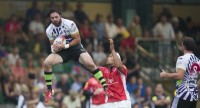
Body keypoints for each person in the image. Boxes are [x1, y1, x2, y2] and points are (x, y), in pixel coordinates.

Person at [44, 9, 107, 103]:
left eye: (56, 17)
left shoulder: (70, 24)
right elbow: (53, 46)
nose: (54, 19)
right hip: (62, 51)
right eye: (52, 18)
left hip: (75, 48)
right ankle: (49, 90)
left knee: (90, 64)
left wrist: (65, 45)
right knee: (47, 63)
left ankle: (105, 86)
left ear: (60, 16)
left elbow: (77, 39)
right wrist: (55, 48)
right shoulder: (49, 30)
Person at [160, 37, 199, 108]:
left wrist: (165, 74)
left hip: (183, 95)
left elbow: (179, 76)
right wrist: (195, 86)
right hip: (194, 96)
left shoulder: (182, 58)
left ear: (183, 47)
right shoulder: (197, 60)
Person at [98, 38, 131, 108]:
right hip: (110, 103)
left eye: (110, 56)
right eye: (108, 56)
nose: (108, 58)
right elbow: (92, 67)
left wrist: (112, 50)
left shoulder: (122, 69)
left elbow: (119, 65)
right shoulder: (104, 70)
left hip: (123, 101)